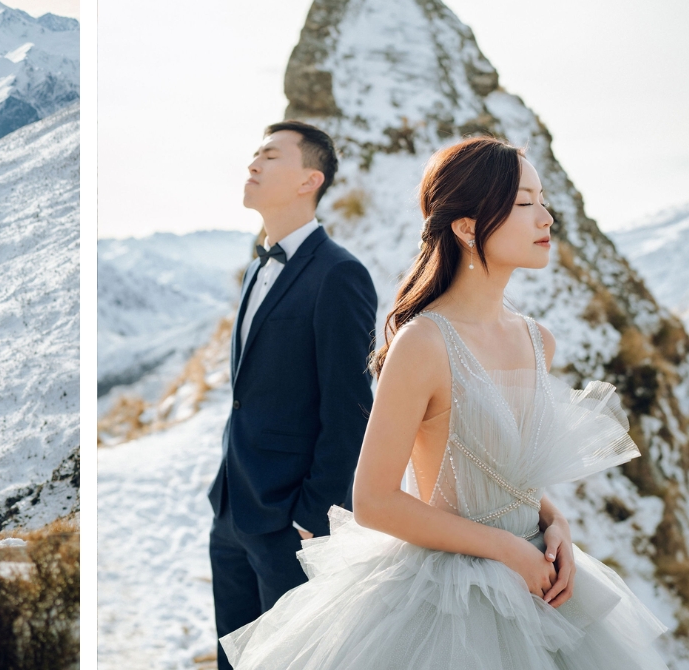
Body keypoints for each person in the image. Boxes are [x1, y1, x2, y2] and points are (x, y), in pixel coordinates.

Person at [219, 137, 669, 669]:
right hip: (449, 605)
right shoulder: (424, 343)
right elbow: (375, 501)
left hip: (539, 584)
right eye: (525, 203)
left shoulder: (537, 340)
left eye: (542, 200)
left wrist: (555, 525)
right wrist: (506, 550)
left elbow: (509, 472)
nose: (546, 217)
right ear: (466, 226)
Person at [207, 121, 377, 670]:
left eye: (269, 156)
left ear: (310, 179)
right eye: (254, 153)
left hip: (289, 524)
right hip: (233, 506)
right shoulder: (258, 267)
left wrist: (313, 517)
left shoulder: (339, 275)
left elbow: (351, 406)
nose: (252, 164)